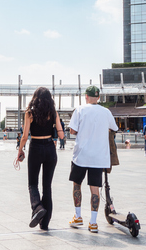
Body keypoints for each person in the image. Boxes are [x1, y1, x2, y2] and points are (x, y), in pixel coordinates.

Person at [68, 86, 118, 234]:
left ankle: (78, 217)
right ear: (98, 97)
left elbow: (72, 131)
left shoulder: (80, 110)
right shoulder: (106, 112)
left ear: (86, 96)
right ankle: (93, 222)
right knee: (94, 188)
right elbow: (113, 128)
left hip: (81, 156)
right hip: (99, 157)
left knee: (77, 185)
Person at [17, 87, 64, 230]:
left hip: (35, 147)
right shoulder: (53, 112)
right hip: (50, 148)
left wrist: (20, 150)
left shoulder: (30, 113)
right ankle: (45, 224)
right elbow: (61, 135)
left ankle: (37, 208)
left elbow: (25, 136)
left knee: (32, 184)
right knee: (47, 187)